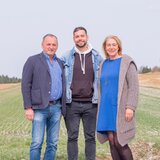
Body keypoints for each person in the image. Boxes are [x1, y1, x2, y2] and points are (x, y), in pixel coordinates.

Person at [21, 34, 66, 160]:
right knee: (36, 143)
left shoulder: (60, 63)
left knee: (53, 143)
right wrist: (28, 107)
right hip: (39, 108)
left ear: (57, 46)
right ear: (42, 45)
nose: (51, 47)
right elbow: (26, 84)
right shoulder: (33, 60)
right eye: (48, 44)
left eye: (54, 44)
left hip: (56, 108)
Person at [61, 26, 103, 160]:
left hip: (91, 103)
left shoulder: (97, 56)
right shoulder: (66, 56)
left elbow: (103, 77)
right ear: (74, 39)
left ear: (87, 37)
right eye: (77, 36)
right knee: (72, 137)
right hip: (71, 103)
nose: (80, 38)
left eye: (82, 36)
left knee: (90, 137)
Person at [96, 35, 139, 160]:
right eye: (108, 45)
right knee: (112, 142)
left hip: (120, 108)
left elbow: (134, 86)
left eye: (114, 44)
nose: (111, 47)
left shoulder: (126, 62)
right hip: (106, 107)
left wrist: (130, 107)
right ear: (105, 47)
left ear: (118, 46)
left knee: (120, 142)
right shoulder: (103, 64)